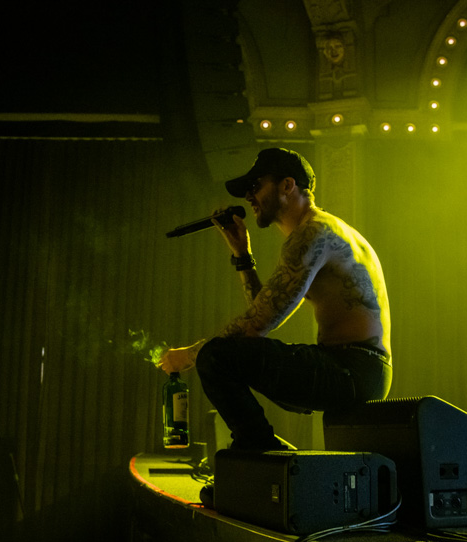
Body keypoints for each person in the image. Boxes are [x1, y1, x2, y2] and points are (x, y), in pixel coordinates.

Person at [158, 148, 392, 452]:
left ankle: (259, 451)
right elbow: (261, 315)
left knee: (216, 356)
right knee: (224, 354)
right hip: (353, 368)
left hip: (353, 370)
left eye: (255, 187)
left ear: (287, 185)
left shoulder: (313, 233)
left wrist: (191, 355)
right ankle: (264, 452)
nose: (249, 198)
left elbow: (256, 324)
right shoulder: (320, 232)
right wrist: (242, 256)